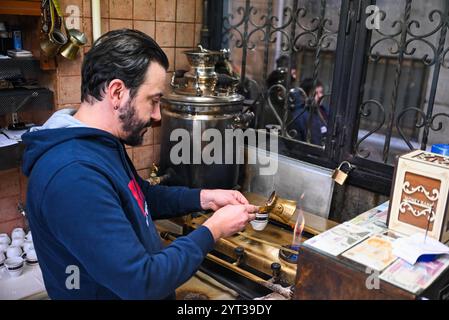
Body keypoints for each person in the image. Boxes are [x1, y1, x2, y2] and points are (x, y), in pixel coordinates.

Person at [21, 29, 258, 300]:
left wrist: (204, 198)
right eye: (154, 101)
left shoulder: (99, 145)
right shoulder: (73, 175)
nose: (157, 115)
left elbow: (138, 196)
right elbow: (142, 282)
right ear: (117, 92)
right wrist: (213, 230)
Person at [288, 78, 329, 145]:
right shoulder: (300, 115)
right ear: (305, 95)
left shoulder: (324, 110)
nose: (320, 96)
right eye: (315, 94)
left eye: (321, 92)